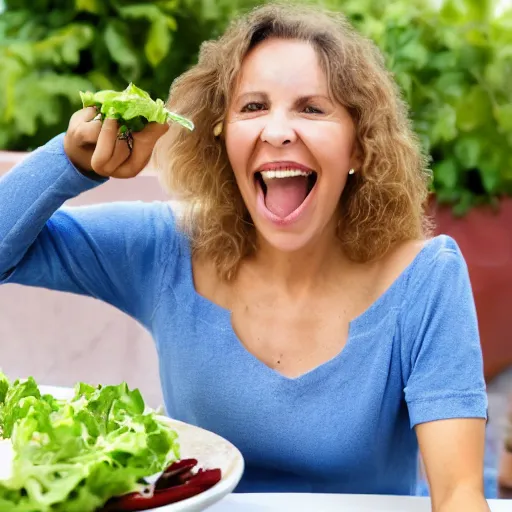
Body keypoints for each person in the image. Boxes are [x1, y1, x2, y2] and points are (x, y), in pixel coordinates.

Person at [0, 2, 489, 510]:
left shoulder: (424, 279)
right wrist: (70, 161)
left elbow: (457, 493)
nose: (277, 131)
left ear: (360, 147)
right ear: (220, 135)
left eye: (312, 108)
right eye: (253, 107)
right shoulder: (166, 247)